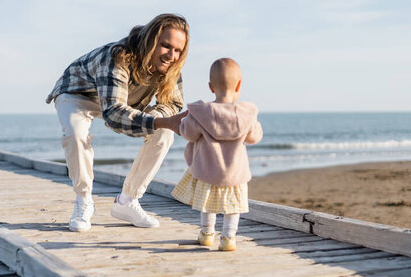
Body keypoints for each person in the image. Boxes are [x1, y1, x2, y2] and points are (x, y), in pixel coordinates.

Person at [46, 14, 189, 232]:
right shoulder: (118, 56)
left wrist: (162, 119)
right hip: (78, 93)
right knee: (75, 133)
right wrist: (160, 121)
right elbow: (113, 114)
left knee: (164, 132)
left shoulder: (170, 66)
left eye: (178, 50)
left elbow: (173, 104)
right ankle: (84, 200)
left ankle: (127, 201)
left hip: (119, 99)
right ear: (151, 40)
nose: (172, 55)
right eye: (166, 46)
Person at [171, 58, 263, 251]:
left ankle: (206, 233)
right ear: (239, 85)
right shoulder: (246, 114)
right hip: (235, 173)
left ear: (211, 87)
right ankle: (229, 237)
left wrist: (185, 121)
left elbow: (187, 133)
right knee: (233, 207)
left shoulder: (201, 112)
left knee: (208, 204)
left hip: (207, 169)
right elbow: (254, 137)